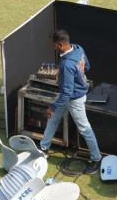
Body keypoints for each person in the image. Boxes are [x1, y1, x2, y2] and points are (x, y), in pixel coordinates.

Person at [40, 30, 101, 174]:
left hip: (74, 99)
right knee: (53, 118)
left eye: (54, 45)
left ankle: (97, 158)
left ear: (61, 44)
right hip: (72, 96)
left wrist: (52, 107)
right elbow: (87, 68)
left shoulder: (66, 64)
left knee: (85, 129)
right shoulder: (78, 48)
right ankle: (44, 148)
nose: (54, 48)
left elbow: (67, 92)